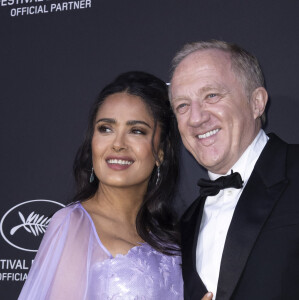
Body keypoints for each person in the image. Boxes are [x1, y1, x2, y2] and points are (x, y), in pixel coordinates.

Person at [19, 71, 196, 300]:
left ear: (160, 152)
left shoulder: (171, 237)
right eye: (106, 128)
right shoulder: (74, 225)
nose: (118, 144)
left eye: (136, 131)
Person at [170, 40, 299, 300]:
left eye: (212, 96)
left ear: (257, 103)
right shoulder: (183, 226)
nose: (196, 118)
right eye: (182, 105)